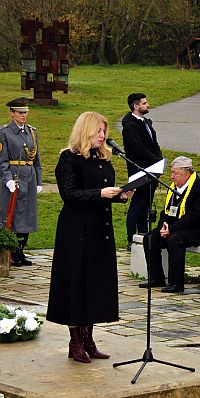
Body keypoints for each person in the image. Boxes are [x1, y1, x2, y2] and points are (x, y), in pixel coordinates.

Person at [46, 111, 133, 363]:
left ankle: (89, 339)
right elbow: (70, 194)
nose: (103, 135)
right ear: (86, 131)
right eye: (98, 131)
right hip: (76, 232)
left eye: (104, 131)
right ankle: (75, 342)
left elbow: (104, 192)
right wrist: (101, 193)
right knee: (76, 284)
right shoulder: (69, 158)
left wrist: (121, 195)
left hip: (100, 230)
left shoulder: (103, 158)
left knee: (95, 284)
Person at [140, 156, 200, 293]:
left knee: (174, 240)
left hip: (198, 230)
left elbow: (194, 217)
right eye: (172, 172)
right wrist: (162, 225)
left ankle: (176, 283)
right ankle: (156, 278)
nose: (172, 176)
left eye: (176, 173)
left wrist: (172, 229)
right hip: (175, 227)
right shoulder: (174, 187)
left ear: (187, 173)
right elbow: (166, 210)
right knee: (150, 237)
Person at [0, 98, 42, 266]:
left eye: (25, 113)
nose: (24, 115)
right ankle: (10, 251)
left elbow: (36, 159)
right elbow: (2, 161)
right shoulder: (4, 133)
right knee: (11, 214)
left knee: (27, 214)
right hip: (13, 177)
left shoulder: (32, 132)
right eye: (20, 112)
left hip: (29, 177)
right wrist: (8, 180)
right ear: (12, 113)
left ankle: (21, 251)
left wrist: (39, 180)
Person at [121, 93, 163, 250]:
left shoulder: (146, 123)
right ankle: (131, 238)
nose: (148, 105)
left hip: (152, 169)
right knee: (137, 205)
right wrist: (155, 160)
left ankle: (143, 234)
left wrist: (159, 158)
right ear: (135, 106)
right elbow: (138, 149)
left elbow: (154, 142)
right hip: (139, 170)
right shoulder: (130, 126)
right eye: (144, 103)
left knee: (146, 205)